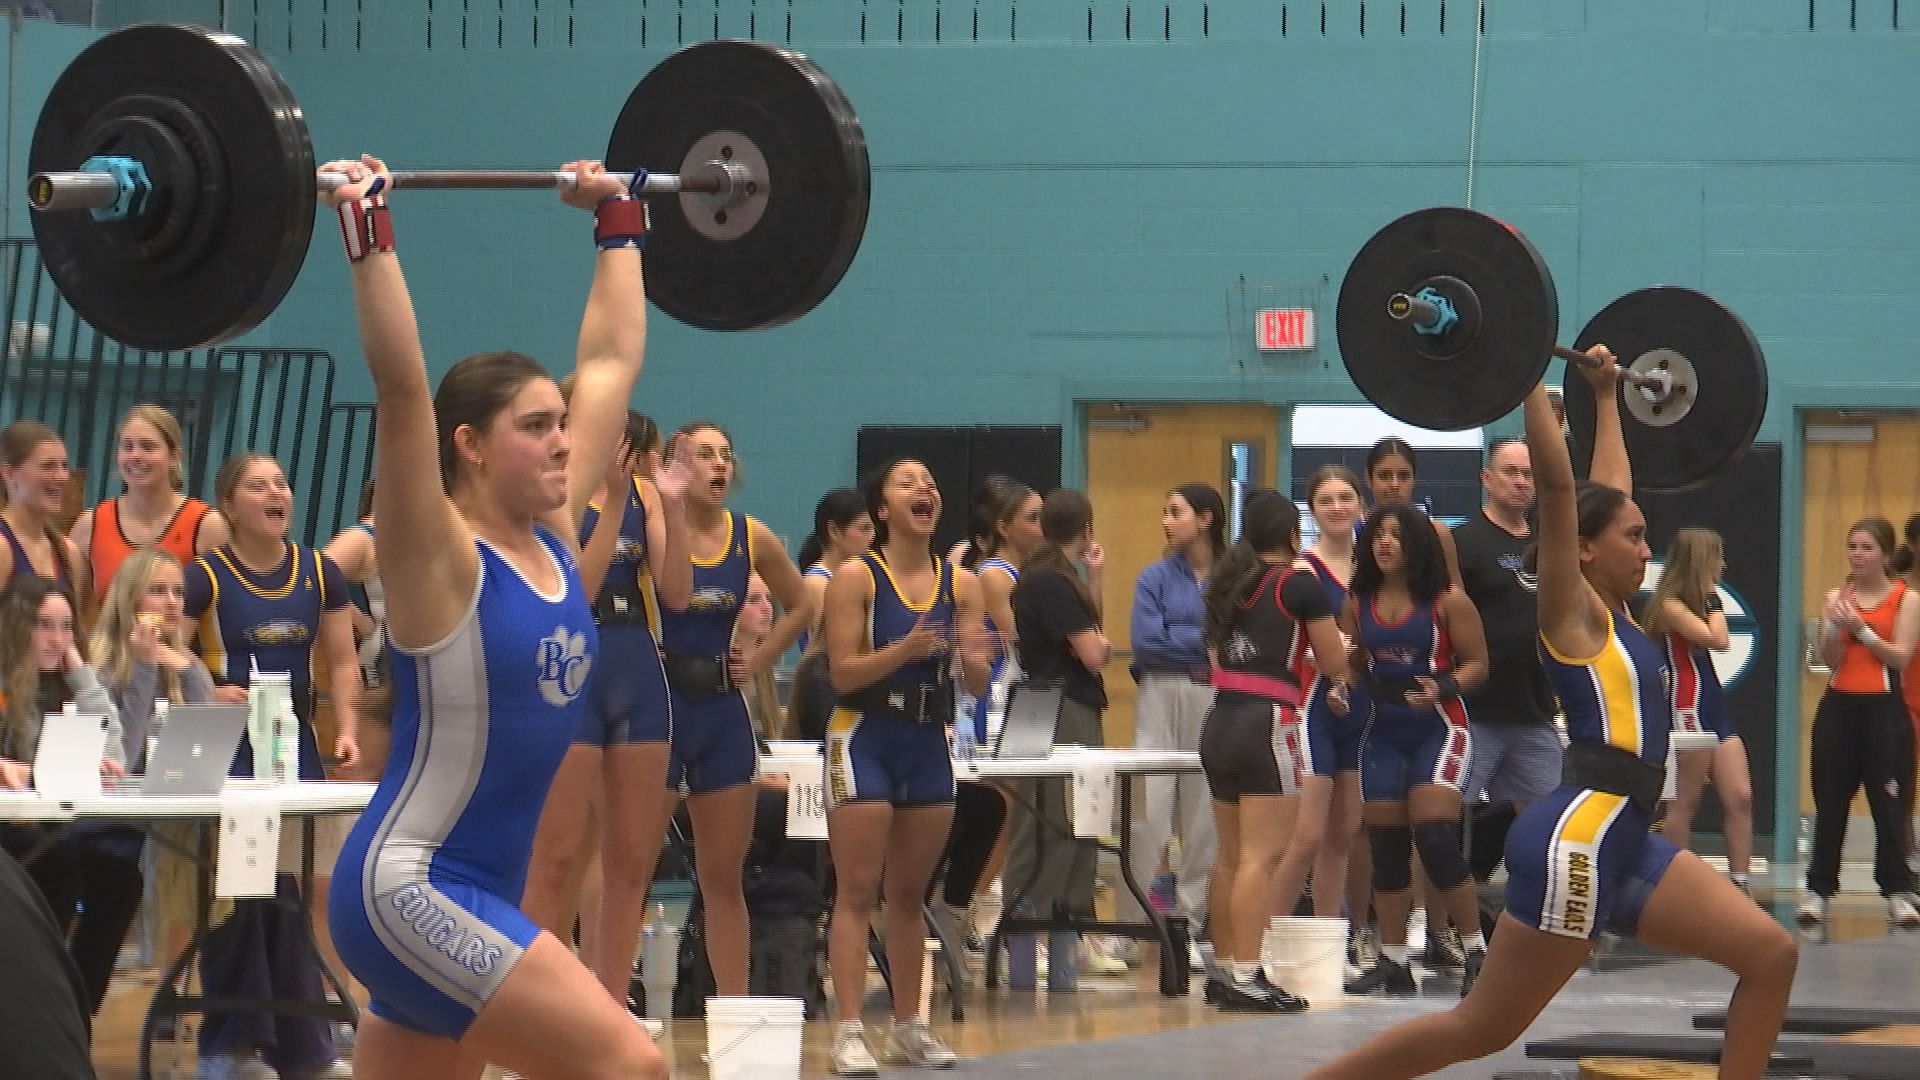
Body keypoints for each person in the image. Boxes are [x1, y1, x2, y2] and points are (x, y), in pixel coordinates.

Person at [1302, 354, 1797, 1080]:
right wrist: (1525, 370)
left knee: (1771, 953)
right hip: (1581, 838)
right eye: (1632, 537)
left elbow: (1605, 491)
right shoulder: (1571, 615)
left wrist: (1605, 396)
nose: (1645, 547)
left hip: (1626, 834)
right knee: (1480, 1029)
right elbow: (1564, 490)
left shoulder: (1622, 614)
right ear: (1585, 549)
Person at [319, 154, 666, 1079]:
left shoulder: (551, 536)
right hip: (415, 888)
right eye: (536, 427)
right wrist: (367, 230)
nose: (564, 441)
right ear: (469, 445)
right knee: (632, 1065)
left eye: (562, 423)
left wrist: (617, 218)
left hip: (475, 894)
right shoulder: (437, 559)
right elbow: (402, 390)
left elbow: (609, 358)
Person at [186, 451, 361, 1080]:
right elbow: (165, 660)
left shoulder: (320, 572)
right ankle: (228, 1049)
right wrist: (209, 685)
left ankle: (304, 1049)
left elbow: (342, 661)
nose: (275, 494)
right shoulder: (204, 578)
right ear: (230, 506)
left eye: (282, 484)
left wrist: (346, 725)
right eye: (258, 487)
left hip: (294, 750)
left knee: (292, 892)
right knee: (240, 893)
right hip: (230, 755)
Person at [520, 406, 692, 1015]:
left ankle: (610, 1005)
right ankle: (533, 1010)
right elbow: (579, 590)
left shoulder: (646, 494)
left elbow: (677, 594)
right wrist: (615, 503)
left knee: (631, 858)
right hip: (571, 664)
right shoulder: (551, 497)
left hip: (636, 664)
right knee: (557, 852)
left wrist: (670, 503)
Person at [822, 458, 990, 1075]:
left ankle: (910, 1025)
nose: (925, 487)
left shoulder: (962, 582)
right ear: (883, 510)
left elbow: (975, 679)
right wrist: (906, 649)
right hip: (864, 736)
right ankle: (846, 1030)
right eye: (906, 482)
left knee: (909, 895)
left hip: (925, 742)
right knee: (856, 892)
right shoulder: (855, 577)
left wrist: (975, 657)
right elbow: (841, 672)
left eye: (932, 480)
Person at [660, 420, 813, 998]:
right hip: (662, 706)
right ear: (676, 463)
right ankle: (610, 1002)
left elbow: (799, 606)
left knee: (723, 876)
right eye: (704, 454)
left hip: (722, 711)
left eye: (726, 454)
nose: (720, 465)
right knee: (628, 871)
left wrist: (762, 653)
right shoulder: (657, 526)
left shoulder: (752, 534)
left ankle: (736, 1010)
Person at [1198, 489, 1348, 1012]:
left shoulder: (1226, 585)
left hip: (1221, 718)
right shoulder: (1298, 583)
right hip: (1269, 721)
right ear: (1292, 535)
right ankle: (1246, 971)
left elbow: (1216, 652)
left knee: (1231, 856)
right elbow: (1331, 661)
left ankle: (1222, 968)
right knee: (1261, 858)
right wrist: (1343, 663)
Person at [1336, 503, 1490, 998]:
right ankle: (1394, 960)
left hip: (1439, 726)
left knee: (1437, 836)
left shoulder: (1449, 602)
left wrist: (1442, 686)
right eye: (1378, 535)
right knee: (1386, 850)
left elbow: (1478, 666)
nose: (1385, 543)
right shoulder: (1357, 603)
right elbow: (1354, 662)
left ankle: (1476, 951)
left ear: (1417, 545)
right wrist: (1342, 684)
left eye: (1396, 536)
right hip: (1381, 730)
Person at [0, 577, 131, 1006]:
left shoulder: (58, 685)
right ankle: (35, 1000)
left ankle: (73, 1005)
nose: (57, 639)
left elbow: (115, 753)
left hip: (40, 826)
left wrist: (79, 671)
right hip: (10, 829)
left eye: (67, 627)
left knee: (119, 876)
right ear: (17, 627)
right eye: (43, 625)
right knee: (56, 866)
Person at [1002, 488, 1106, 992]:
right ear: (1086, 528)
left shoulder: (1049, 581)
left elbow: (1090, 632)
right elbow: (1092, 651)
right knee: (1061, 823)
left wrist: (1097, 577)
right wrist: (1102, 647)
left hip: (1037, 707)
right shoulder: (1050, 584)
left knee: (1051, 823)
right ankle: (1032, 938)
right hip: (1059, 709)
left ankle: (1047, 954)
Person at [1800, 516, 1920, 927]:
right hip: (1839, 708)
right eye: (1853, 546)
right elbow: (1831, 660)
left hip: (1884, 710)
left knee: (1889, 803)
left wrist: (1861, 629)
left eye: (1867, 548)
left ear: (1885, 555)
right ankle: (1818, 890)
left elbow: (1900, 656)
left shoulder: (1907, 599)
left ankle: (1897, 891)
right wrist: (1834, 628)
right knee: (1830, 802)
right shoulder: (1837, 596)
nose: (1857, 555)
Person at [1452, 438, 1562, 885]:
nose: (1520, 482)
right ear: (1487, 479)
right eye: (1510, 472)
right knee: (1447, 824)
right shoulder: (1462, 542)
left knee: (1546, 827)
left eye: (1528, 474)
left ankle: (1535, 914)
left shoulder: (1550, 544)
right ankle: (1436, 920)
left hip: (1535, 712)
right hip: (1475, 711)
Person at [1124, 484, 1224, 941]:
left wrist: (1183, 637)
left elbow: (1237, 642)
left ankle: (1190, 923)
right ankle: (1128, 926)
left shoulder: (1234, 576)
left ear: (1205, 519)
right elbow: (1147, 642)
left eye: (1175, 511)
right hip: (1159, 694)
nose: (1165, 520)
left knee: (1205, 813)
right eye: (1165, 512)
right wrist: (1204, 643)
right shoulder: (1154, 577)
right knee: (1149, 810)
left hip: (1215, 695)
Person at [1642, 527, 1756, 894]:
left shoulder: (1695, 604)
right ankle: (1677, 886)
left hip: (1714, 709)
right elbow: (1718, 640)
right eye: (1718, 558)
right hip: (1683, 710)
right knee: (1685, 802)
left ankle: (1740, 882)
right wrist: (1712, 599)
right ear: (1701, 562)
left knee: (1740, 796)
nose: (1724, 565)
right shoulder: (1670, 606)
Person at [1295, 467, 1369, 945]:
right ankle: (1265, 941)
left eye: (1345, 497)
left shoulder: (1377, 565)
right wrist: (1318, 651)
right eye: (1326, 500)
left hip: (1365, 704)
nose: (1338, 507)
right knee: (1307, 835)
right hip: (1316, 703)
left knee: (1345, 832)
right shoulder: (1304, 569)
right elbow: (1290, 637)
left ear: (1360, 503)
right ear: (1313, 510)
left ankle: (1330, 940)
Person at [70, 404, 229, 619]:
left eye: (147, 446)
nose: (135, 455)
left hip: (183, 650)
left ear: (174, 456)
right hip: (113, 650)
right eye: (127, 446)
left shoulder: (208, 525)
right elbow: (72, 609)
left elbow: (227, 608)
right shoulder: (90, 524)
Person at [789, 488, 874, 740]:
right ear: (834, 531)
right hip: (826, 688)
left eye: (873, 529)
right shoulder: (817, 582)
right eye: (864, 529)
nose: (872, 537)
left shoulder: (860, 580)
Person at [0, 421, 86, 597]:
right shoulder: (2, 547)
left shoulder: (68, 553)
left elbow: (71, 622)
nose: (62, 477)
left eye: (64, 466)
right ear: (9, 473)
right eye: (48, 466)